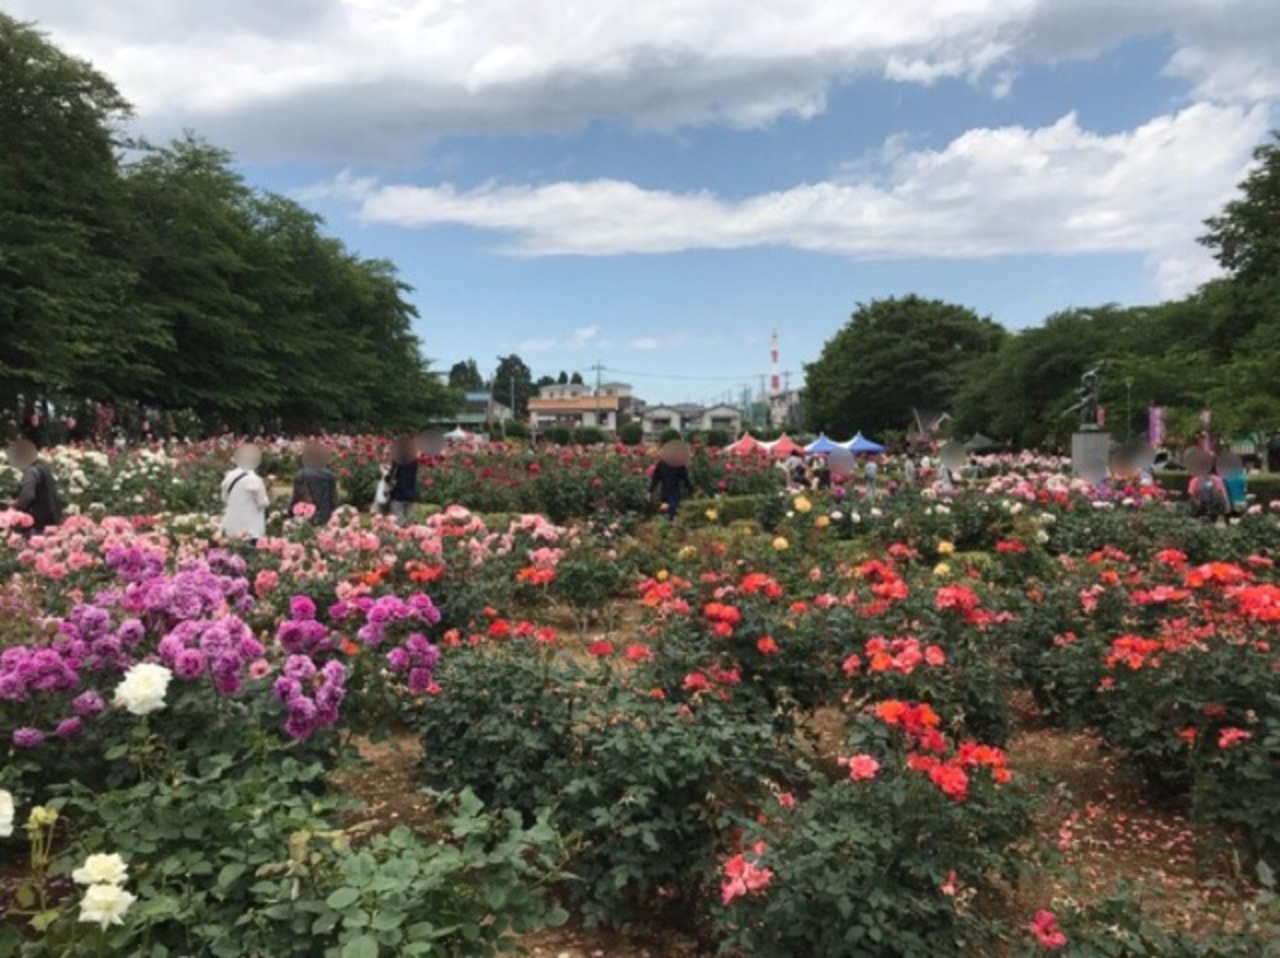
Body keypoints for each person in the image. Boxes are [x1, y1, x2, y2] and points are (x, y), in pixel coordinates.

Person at [6, 439, 62, 533]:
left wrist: (16, 505)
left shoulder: (31, 471)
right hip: (52, 514)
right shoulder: (43, 465)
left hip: (39, 519)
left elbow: (28, 495)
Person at [220, 443, 269, 538]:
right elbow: (263, 502)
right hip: (250, 527)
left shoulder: (229, 476)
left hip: (230, 524)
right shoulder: (255, 479)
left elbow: (224, 499)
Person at [290, 442, 338, 525]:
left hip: (304, 511)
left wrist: (290, 511)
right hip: (325, 512)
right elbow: (333, 497)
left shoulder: (301, 474)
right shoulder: (329, 475)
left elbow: (296, 496)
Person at [650, 442, 694, 520]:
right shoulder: (662, 464)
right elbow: (655, 478)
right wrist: (650, 491)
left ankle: (667, 523)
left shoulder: (678, 465)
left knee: (670, 510)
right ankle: (666, 525)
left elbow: (686, 479)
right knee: (667, 511)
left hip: (673, 493)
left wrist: (691, 491)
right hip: (666, 493)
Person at [386, 437, 419, 525]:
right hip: (411, 493)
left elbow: (392, 476)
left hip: (398, 493)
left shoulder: (398, 460)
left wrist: (386, 476)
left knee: (399, 523)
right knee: (410, 522)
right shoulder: (414, 460)